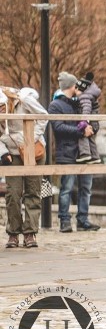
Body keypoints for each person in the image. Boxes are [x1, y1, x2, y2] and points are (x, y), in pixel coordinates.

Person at [49, 72, 101, 233]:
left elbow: (93, 119)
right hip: (66, 152)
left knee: (86, 188)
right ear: (72, 86)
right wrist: (81, 132)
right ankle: (64, 220)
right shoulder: (55, 105)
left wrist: (91, 129)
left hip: (84, 153)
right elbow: (58, 128)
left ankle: (82, 219)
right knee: (66, 188)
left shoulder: (81, 102)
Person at [1, 86, 49, 248]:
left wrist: (29, 138)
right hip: (12, 153)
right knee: (12, 193)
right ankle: (13, 232)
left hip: (33, 149)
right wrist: (3, 151)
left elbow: (43, 116)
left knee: (33, 190)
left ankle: (30, 232)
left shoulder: (24, 100)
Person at [74, 72, 102, 164]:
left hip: (89, 121)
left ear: (81, 89)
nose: (75, 91)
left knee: (83, 134)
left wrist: (84, 121)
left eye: (76, 89)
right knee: (91, 138)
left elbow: (86, 108)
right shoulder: (90, 95)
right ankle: (95, 156)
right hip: (94, 122)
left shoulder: (84, 96)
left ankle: (85, 154)